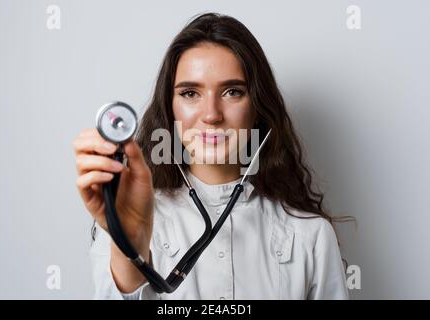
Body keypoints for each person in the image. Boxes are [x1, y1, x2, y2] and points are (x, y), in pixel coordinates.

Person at [73, 12, 349, 300]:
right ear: (170, 109)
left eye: (232, 92)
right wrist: (129, 244)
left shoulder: (311, 236)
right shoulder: (124, 217)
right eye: (190, 93)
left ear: (257, 107)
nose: (212, 115)